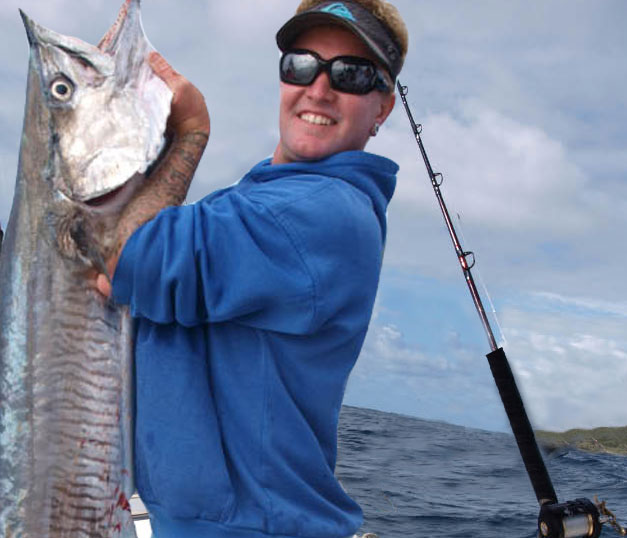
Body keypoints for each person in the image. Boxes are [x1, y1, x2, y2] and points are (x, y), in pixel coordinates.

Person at [96, 1, 409, 536]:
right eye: (301, 65)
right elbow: (121, 270)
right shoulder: (257, 199)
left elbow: (119, 253)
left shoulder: (321, 214)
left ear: (382, 107)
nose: (319, 89)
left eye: (351, 75)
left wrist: (189, 133)